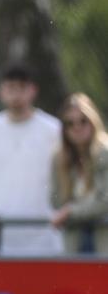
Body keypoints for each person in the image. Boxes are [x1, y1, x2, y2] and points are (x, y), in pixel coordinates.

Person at [0, 63, 62, 256]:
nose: (16, 94)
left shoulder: (53, 130)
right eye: (10, 88)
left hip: (44, 236)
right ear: (1, 92)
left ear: (33, 90)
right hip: (0, 236)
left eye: (21, 88)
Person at [50, 93, 108, 254]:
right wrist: (80, 209)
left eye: (83, 121)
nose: (77, 127)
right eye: (70, 123)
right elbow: (55, 201)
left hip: (102, 240)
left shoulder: (105, 153)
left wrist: (71, 211)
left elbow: (105, 203)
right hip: (74, 241)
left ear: (93, 121)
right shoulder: (60, 158)